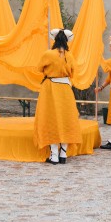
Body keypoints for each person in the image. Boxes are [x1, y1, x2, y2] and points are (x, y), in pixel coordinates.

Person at [33, 28, 82, 165]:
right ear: (66, 41)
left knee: (51, 118)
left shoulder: (48, 54)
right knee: (66, 119)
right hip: (65, 88)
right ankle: (63, 153)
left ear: (55, 40)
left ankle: (54, 154)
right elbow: (73, 72)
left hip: (50, 88)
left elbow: (39, 68)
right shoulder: (69, 56)